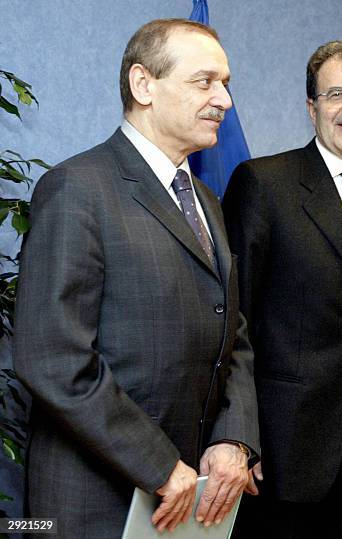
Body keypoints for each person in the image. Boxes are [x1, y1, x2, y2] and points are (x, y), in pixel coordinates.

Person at [13, 19, 259, 538]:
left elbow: (229, 332)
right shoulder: (77, 189)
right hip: (95, 500)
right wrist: (160, 467)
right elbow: (54, 358)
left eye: (226, 83)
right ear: (143, 85)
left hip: (192, 499)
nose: (225, 100)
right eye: (205, 81)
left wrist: (234, 440)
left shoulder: (207, 201)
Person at [222, 40, 342, 538]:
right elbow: (232, 321)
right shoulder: (264, 184)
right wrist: (241, 438)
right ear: (312, 108)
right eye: (336, 94)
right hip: (279, 451)